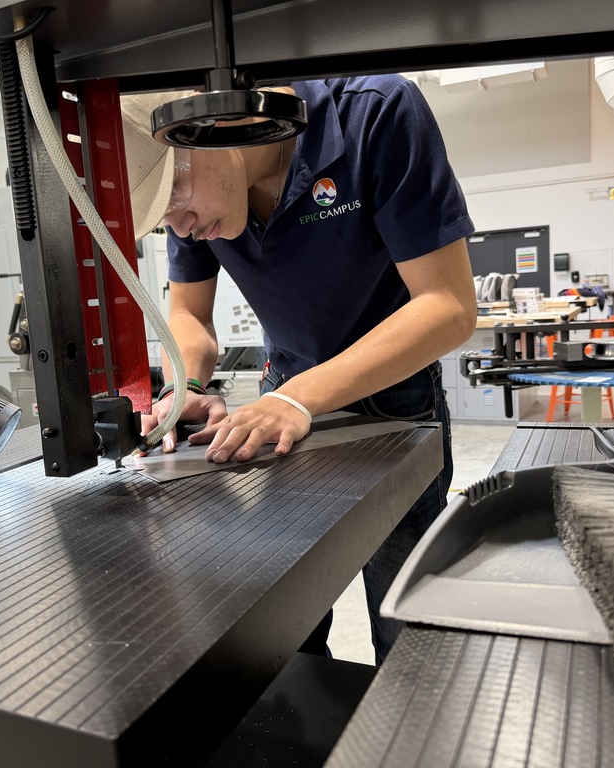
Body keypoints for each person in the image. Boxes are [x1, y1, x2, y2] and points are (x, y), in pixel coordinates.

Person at [123, 75, 477, 663]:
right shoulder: (195, 192)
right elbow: (189, 316)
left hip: (393, 397)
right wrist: (184, 384)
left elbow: (448, 306)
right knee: (285, 619)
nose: (181, 229)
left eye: (177, 209)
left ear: (206, 131)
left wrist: (297, 397)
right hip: (280, 396)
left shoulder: (374, 115)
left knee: (404, 622)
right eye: (165, 225)